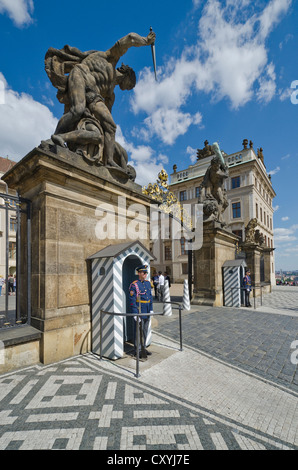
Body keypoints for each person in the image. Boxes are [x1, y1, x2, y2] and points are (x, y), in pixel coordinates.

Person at [46, 31, 156, 167]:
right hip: (81, 75)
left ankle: (109, 161)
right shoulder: (110, 58)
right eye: (130, 85)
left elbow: (105, 121)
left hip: (94, 95)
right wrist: (146, 41)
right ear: (128, 75)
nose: (128, 88)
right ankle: (55, 138)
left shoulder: (110, 94)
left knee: (111, 126)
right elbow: (130, 38)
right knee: (77, 110)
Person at [129, 265, 153, 357]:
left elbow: (150, 297)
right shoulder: (134, 285)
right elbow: (132, 300)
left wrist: (151, 309)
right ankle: (137, 349)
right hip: (139, 311)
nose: (145, 274)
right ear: (139, 273)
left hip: (146, 310)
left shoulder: (147, 283)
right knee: (138, 331)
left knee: (145, 330)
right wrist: (135, 314)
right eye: (144, 273)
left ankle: (143, 347)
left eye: (146, 273)